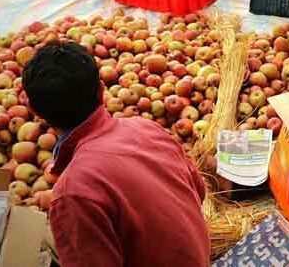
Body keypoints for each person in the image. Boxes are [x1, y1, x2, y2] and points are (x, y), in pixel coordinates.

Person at [22, 42, 210, 267]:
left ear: (34, 111)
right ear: (102, 90)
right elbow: (198, 191)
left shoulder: (73, 193)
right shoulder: (147, 128)